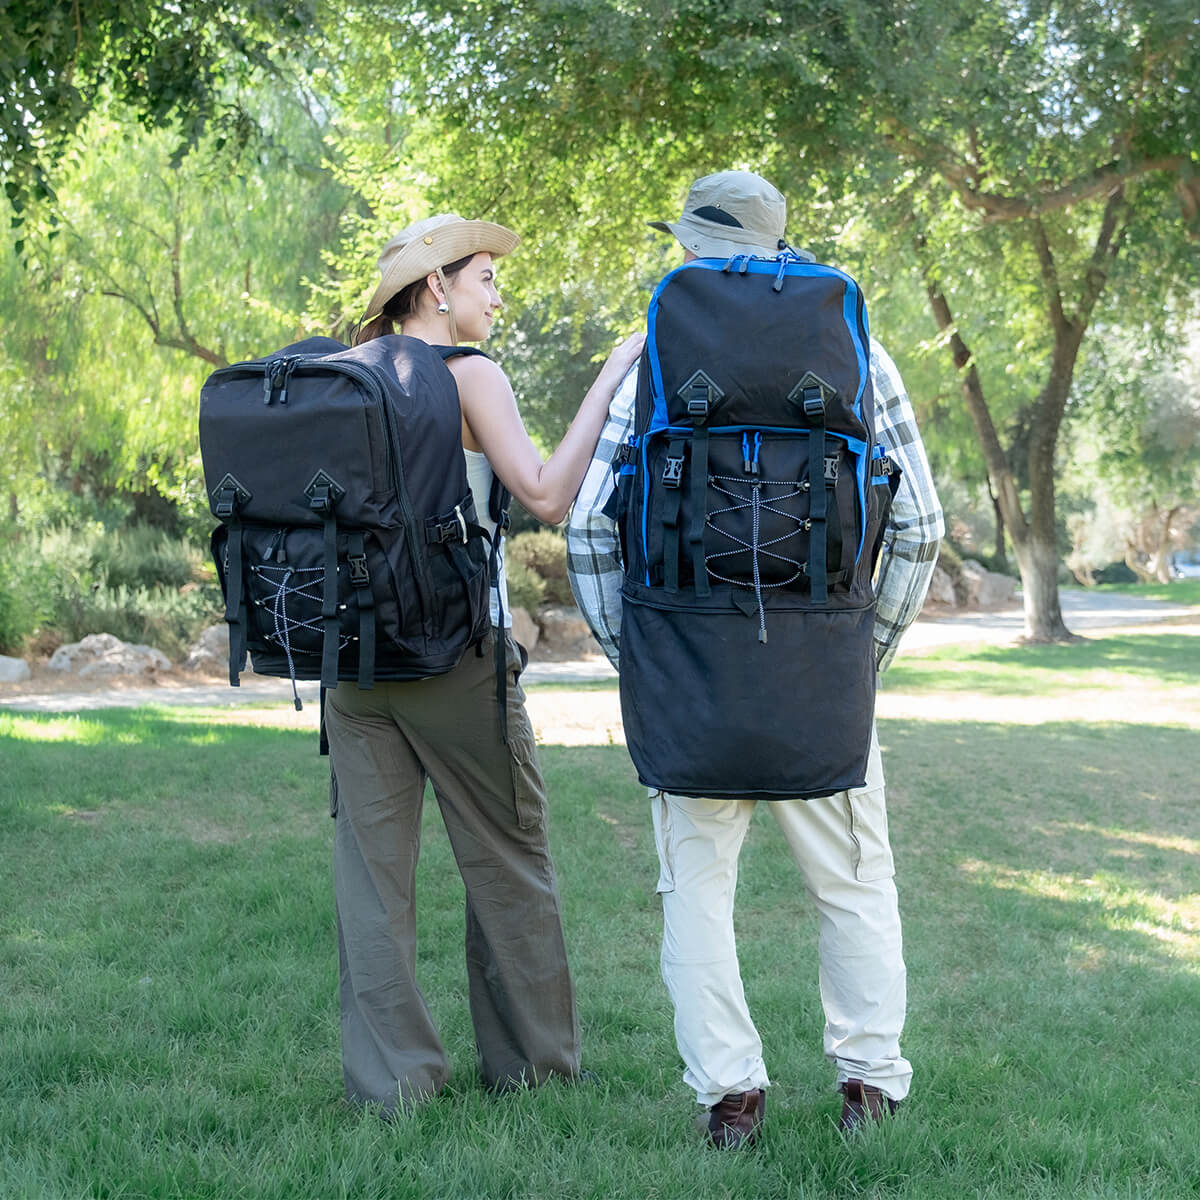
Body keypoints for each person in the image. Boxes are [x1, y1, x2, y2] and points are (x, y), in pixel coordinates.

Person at [567, 171, 944, 1146]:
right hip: (823, 671)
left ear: (690, 243)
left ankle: (731, 1098)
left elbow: (584, 532)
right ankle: (870, 1089)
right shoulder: (857, 347)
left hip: (690, 667)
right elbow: (925, 526)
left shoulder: (654, 351)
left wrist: (640, 656)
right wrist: (865, 655)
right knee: (854, 884)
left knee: (695, 889)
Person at [326, 213, 644, 1114]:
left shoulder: (337, 376)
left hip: (351, 664)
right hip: (458, 661)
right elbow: (544, 493)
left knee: (370, 880)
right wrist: (610, 377)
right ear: (436, 288)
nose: (495, 297)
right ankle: (532, 1072)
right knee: (509, 858)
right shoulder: (468, 376)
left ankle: (394, 1089)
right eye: (484, 282)